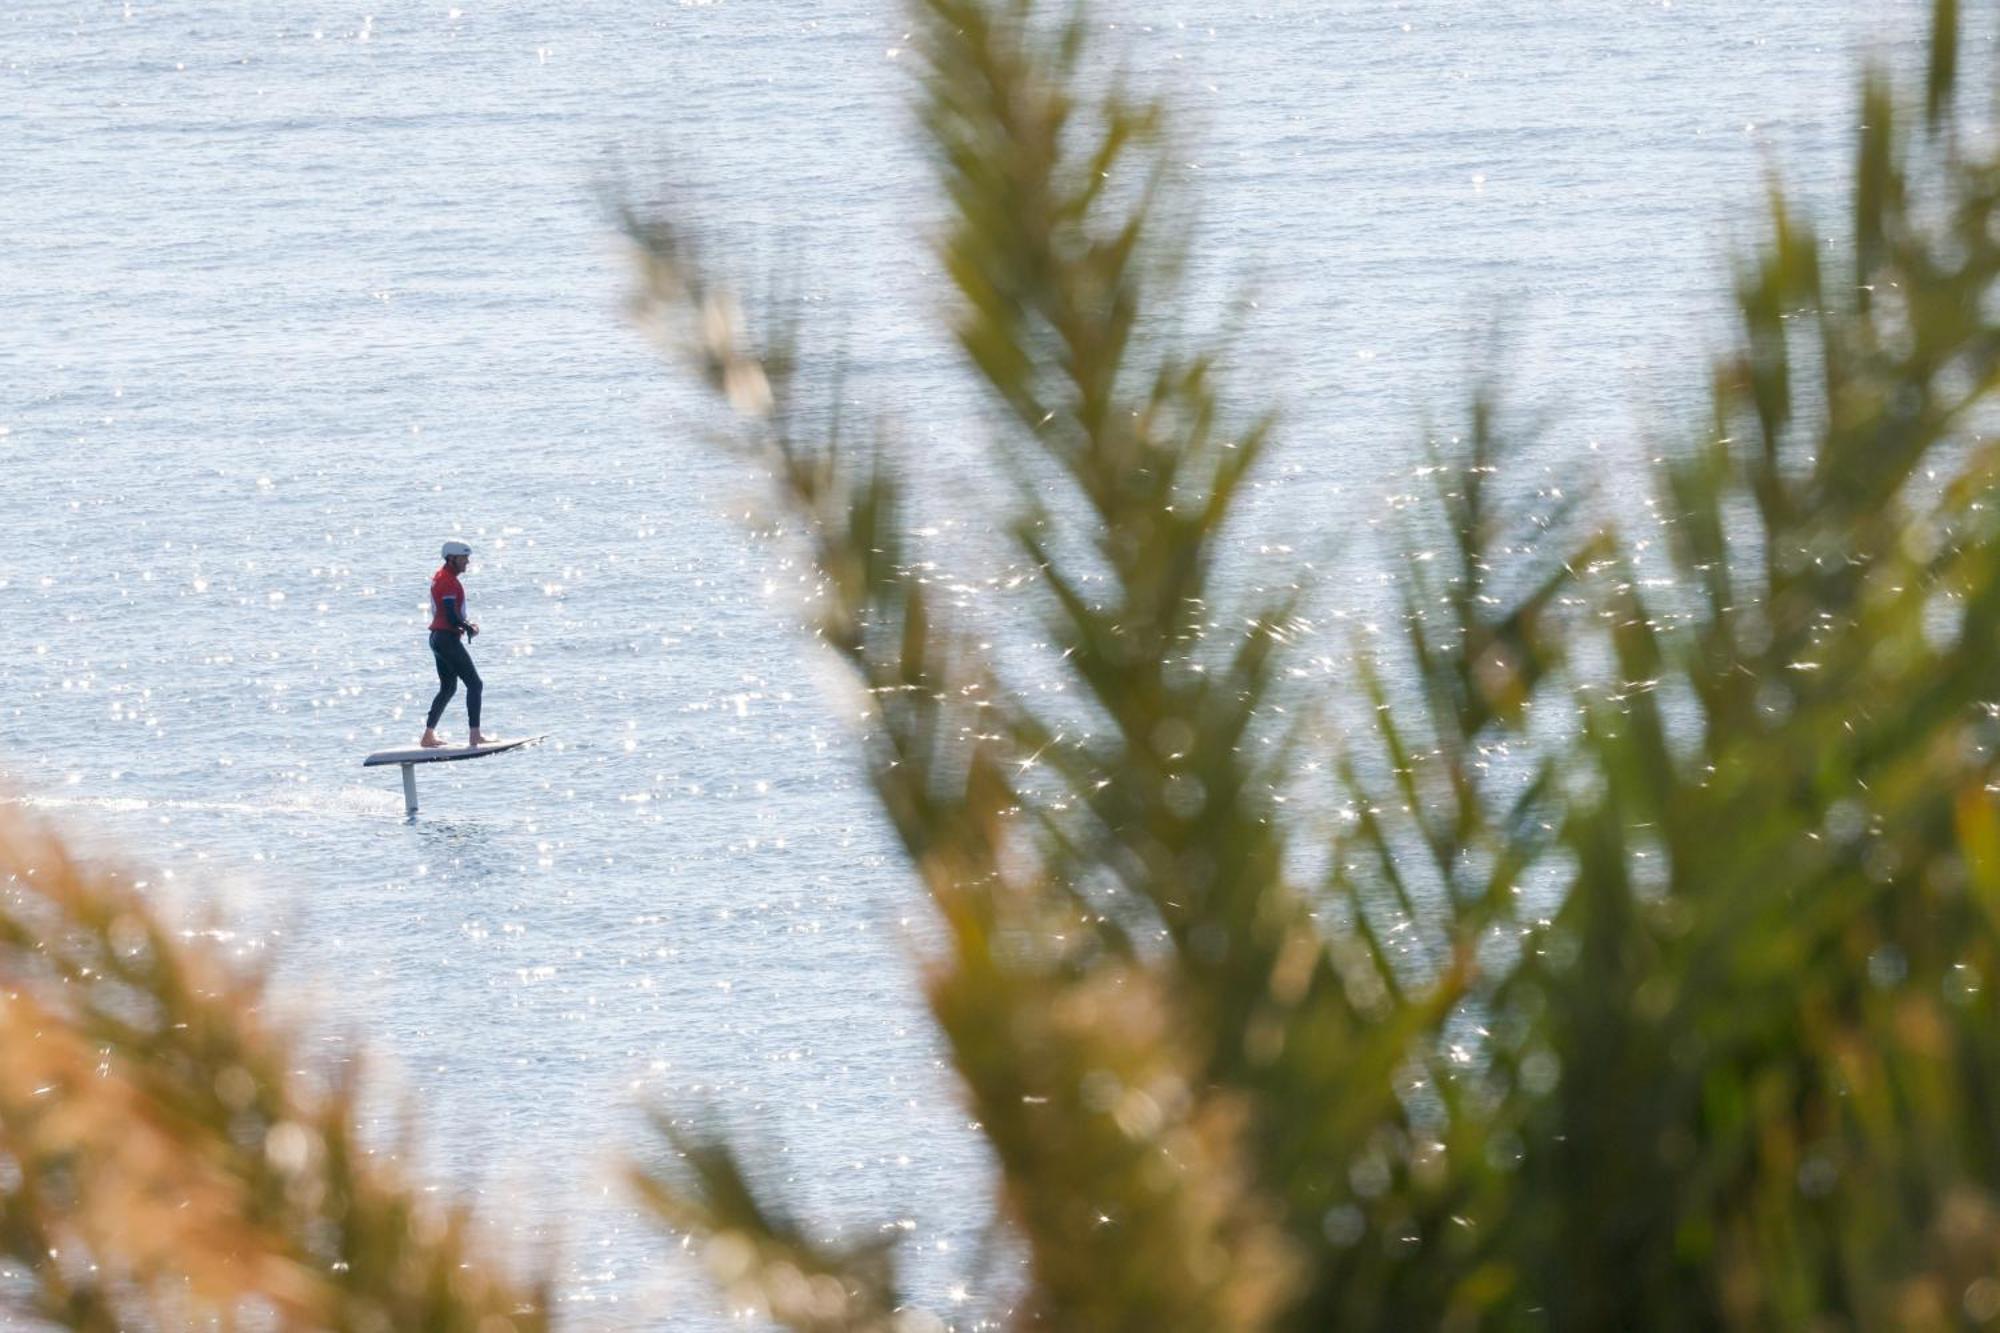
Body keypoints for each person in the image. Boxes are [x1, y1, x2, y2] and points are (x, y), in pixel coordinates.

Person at [420, 540, 489, 748]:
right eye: (464, 558)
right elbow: (451, 614)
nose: (467, 562)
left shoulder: (442, 577)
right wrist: (469, 627)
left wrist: (465, 625)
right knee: (475, 684)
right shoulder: (447, 581)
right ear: (452, 558)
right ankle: (475, 735)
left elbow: (450, 613)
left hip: (438, 639)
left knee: (448, 687)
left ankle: (428, 736)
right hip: (446, 639)